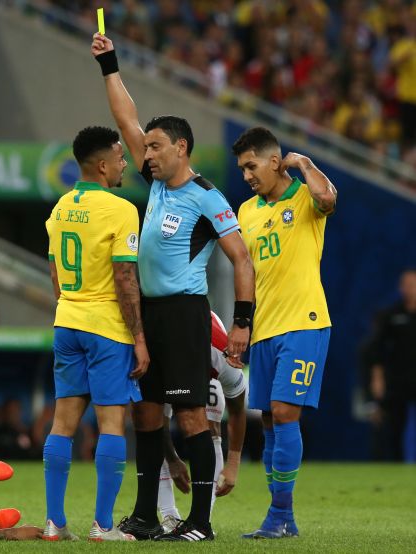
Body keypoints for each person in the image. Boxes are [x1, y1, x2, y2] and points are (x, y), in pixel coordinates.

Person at [91, 33, 254, 542]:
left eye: (157, 146)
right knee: (145, 412)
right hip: (149, 315)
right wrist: (109, 65)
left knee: (189, 416)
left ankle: (200, 523)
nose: (148, 152)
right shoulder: (158, 182)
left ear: (181, 148)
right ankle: (143, 517)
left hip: (185, 313)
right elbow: (126, 119)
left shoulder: (208, 197)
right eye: (149, 147)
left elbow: (242, 260)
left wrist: (243, 324)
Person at [43, 125, 149, 542]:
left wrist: (70, 305)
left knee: (62, 425)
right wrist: (139, 338)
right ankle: (103, 526)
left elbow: (54, 270)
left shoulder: (60, 207)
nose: (126, 163)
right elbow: (125, 277)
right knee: (111, 425)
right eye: (122, 158)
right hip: (106, 327)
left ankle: (55, 523)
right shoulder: (121, 210)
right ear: (103, 165)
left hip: (67, 321)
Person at [231, 126, 337, 539]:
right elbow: (247, 274)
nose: (247, 175)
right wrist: (242, 323)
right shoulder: (247, 211)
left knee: (285, 411)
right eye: (242, 169)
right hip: (265, 330)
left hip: (305, 322)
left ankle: (278, 515)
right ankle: (284, 519)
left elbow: (329, 199)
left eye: (251, 166)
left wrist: (306, 163)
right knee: (270, 422)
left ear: (275, 161)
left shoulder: (305, 197)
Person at [157, 311, 247, 532]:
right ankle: (169, 516)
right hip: (166, 356)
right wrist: (172, 459)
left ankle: (201, 518)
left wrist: (233, 464)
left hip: (203, 354)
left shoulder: (223, 357)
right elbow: (157, 421)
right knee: (149, 422)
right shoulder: (159, 349)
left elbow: (237, 410)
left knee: (211, 425)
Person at [362, 268, 416, 461]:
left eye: (413, 284)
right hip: (398, 380)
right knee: (394, 428)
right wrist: (377, 378)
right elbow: (376, 349)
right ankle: (395, 467)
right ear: (400, 288)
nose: (410, 289)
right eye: (406, 285)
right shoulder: (390, 315)